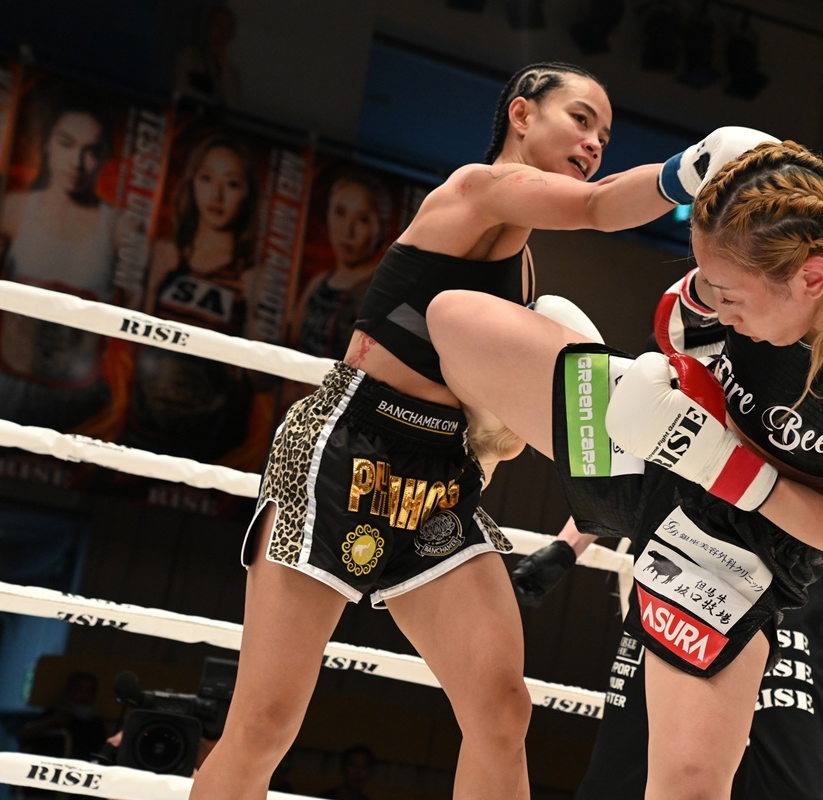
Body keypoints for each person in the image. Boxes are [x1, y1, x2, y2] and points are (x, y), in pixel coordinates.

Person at [188, 62, 691, 800]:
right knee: (263, 725)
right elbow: (595, 207)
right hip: (346, 447)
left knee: (501, 712)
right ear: (522, 114)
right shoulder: (474, 190)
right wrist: (696, 169)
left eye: (605, 137)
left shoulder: (523, 274)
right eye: (581, 119)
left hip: (438, 476)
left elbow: (492, 414)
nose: (594, 143)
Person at [425, 129, 823, 797]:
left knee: (686, 786)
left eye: (730, 296)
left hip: (739, 542)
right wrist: (689, 347)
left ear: (811, 280)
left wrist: (717, 462)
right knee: (454, 320)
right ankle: (506, 440)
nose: (720, 307)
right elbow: (698, 316)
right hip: (659, 442)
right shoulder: (772, 231)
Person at [512, 517, 823, 799]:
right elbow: (634, 450)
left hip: (782, 591)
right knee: (621, 765)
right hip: (675, 577)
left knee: (797, 781)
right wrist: (567, 546)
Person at [0, 87, 119, 435]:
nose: (77, 162)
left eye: (91, 151)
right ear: (46, 144)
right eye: (66, 144)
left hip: (77, 409)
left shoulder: (119, 228)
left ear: (105, 157)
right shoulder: (14, 210)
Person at [124, 130, 263, 462]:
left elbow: (261, 382)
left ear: (247, 193)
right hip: (142, 432)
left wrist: (256, 314)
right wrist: (151, 289)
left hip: (209, 447)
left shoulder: (253, 278)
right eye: (206, 178)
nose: (217, 194)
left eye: (231, 183)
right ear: (192, 184)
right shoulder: (165, 255)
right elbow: (126, 347)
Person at [290, 169, 392, 361]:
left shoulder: (382, 291)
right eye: (340, 212)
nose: (347, 230)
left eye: (362, 219)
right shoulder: (318, 284)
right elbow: (292, 343)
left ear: (381, 227)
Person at [174, 5, 242, 108]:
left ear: (231, 35)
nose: (220, 33)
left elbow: (233, 105)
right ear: (208, 28)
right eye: (217, 25)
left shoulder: (231, 73)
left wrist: (224, 67)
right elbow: (183, 92)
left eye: (226, 29)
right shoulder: (189, 57)